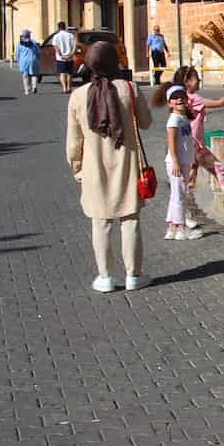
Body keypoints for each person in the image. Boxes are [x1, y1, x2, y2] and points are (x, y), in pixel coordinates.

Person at [66, 40, 151, 292]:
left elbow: (73, 143)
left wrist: (77, 169)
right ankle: (133, 274)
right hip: (126, 164)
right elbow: (145, 123)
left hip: (94, 168)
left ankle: (105, 277)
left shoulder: (78, 96)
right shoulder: (129, 88)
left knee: (100, 222)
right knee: (130, 220)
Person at [157, 66, 224, 225]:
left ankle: (186, 215)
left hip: (192, 145)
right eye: (196, 78)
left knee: (191, 181)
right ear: (188, 82)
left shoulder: (183, 99)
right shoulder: (193, 99)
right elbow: (219, 103)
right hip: (195, 146)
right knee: (215, 168)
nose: (199, 81)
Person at [162, 85, 203, 240]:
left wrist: (194, 142)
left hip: (184, 161)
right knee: (180, 195)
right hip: (177, 163)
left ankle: (172, 227)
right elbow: (171, 143)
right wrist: (176, 162)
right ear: (169, 103)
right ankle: (182, 228)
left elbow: (184, 138)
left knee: (176, 194)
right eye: (175, 98)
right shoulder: (173, 120)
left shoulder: (183, 118)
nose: (179, 100)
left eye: (182, 97)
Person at [52, 21, 77, 94]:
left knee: (62, 73)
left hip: (60, 58)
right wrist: (71, 54)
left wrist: (61, 55)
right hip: (70, 57)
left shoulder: (56, 36)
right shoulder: (70, 35)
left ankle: (64, 88)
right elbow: (74, 45)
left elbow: (55, 47)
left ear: (59, 28)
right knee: (69, 73)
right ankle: (69, 87)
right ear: (65, 27)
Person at [15, 29, 40, 95]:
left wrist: (18, 60)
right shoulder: (33, 42)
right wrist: (38, 57)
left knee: (25, 75)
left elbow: (17, 54)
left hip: (23, 61)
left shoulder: (20, 44)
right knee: (34, 74)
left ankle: (27, 90)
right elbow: (38, 51)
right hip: (33, 59)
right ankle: (34, 86)